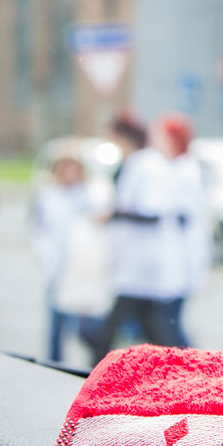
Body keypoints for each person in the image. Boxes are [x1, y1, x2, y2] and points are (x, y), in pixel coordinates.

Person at [86, 113, 186, 361]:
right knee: (154, 330)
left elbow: (152, 212)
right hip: (138, 265)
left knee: (132, 327)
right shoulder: (139, 164)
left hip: (144, 263)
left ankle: (97, 361)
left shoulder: (146, 166)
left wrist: (113, 215)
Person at [31, 144, 107, 363]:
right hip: (56, 264)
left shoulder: (88, 195)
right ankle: (53, 364)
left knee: (86, 324)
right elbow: (39, 230)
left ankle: (96, 364)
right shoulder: (48, 195)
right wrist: (46, 257)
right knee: (56, 324)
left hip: (81, 268)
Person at [154, 113, 211, 347]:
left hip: (182, 258)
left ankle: (191, 364)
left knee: (169, 325)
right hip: (175, 259)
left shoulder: (185, 170)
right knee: (166, 324)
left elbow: (184, 213)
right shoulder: (176, 167)